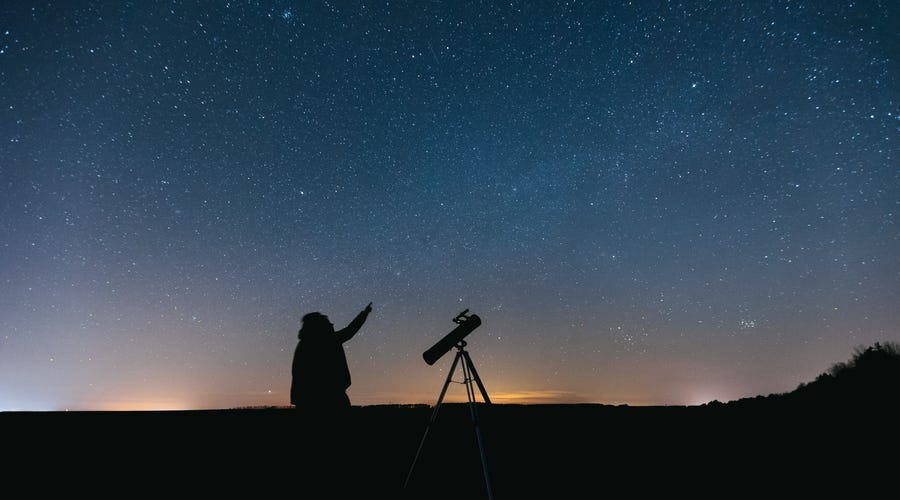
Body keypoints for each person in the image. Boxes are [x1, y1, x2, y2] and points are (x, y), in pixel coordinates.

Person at [291, 302, 372, 413]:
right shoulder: (325, 340)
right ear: (319, 326)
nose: (331, 324)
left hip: (308, 399)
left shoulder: (305, 343)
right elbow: (349, 331)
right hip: (330, 396)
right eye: (327, 322)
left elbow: (298, 375)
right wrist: (364, 314)